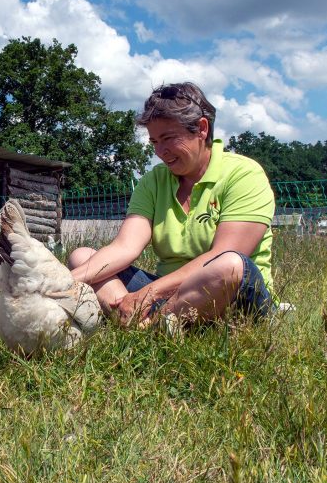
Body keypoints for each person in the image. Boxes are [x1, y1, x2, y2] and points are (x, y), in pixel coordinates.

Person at [68, 82, 275, 328]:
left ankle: (145, 325)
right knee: (83, 257)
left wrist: (150, 292)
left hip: (234, 298)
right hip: (169, 296)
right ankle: (148, 324)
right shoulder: (155, 180)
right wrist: (57, 283)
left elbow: (222, 254)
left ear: (201, 128)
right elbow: (124, 247)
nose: (161, 151)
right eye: (154, 141)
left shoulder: (244, 174)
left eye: (168, 138)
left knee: (229, 265)